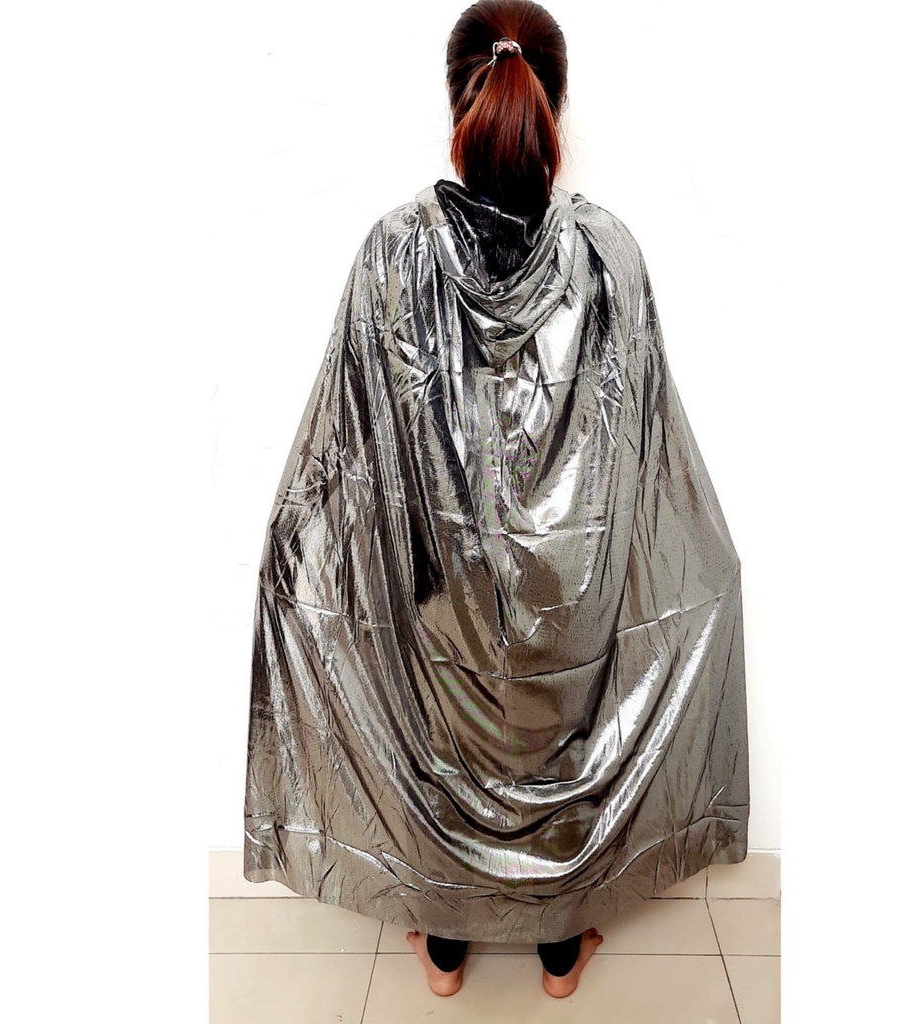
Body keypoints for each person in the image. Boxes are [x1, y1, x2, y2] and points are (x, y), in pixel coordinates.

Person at [243, 0, 750, 1001]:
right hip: (574, 588)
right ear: (554, 104)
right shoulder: (608, 254)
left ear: (456, 102)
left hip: (439, 587)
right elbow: (644, 448)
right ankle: (560, 951)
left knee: (445, 743)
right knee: (557, 742)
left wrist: (292, 550)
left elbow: (351, 442)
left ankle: (444, 947)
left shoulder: (393, 250)